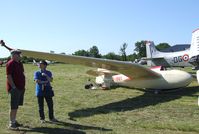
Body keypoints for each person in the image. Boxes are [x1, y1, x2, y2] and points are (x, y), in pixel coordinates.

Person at [6, 49, 26, 130]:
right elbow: (8, 76)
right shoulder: (10, 63)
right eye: (18, 54)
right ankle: (11, 123)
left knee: (16, 106)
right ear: (14, 55)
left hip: (20, 88)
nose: (20, 55)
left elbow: (22, 73)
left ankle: (14, 120)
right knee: (13, 106)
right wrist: (14, 87)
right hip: (15, 88)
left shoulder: (19, 63)